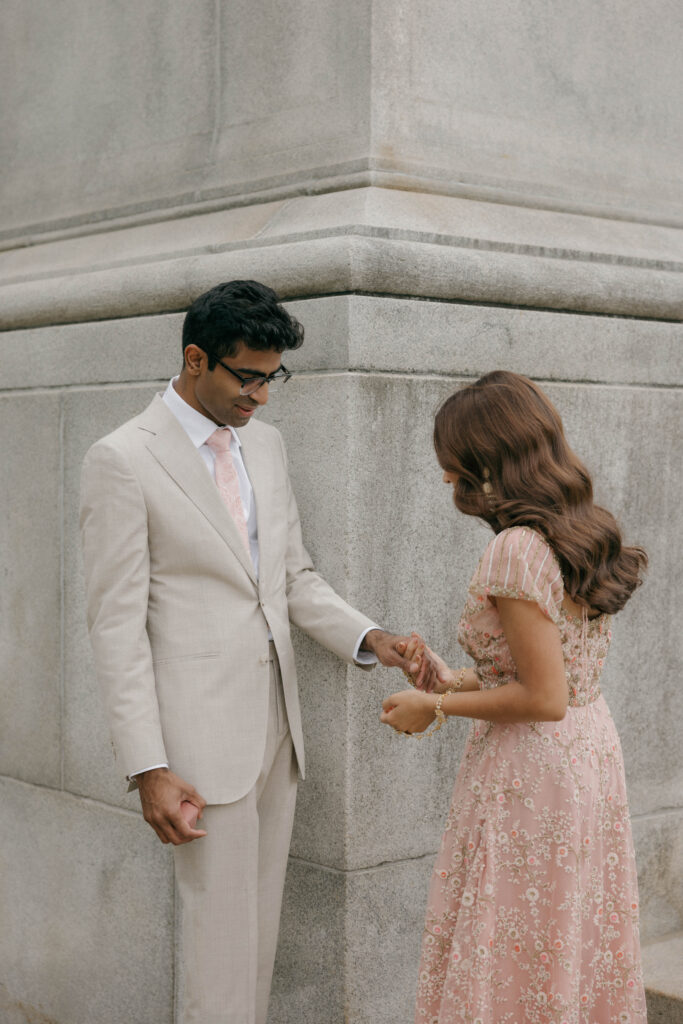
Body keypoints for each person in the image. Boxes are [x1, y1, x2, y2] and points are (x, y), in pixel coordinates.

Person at [80, 279, 436, 1024]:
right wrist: (147, 765)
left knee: (257, 944)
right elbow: (114, 627)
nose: (263, 397)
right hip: (195, 744)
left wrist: (372, 638)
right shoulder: (121, 458)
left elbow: (291, 578)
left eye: (273, 377)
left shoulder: (264, 448)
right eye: (247, 377)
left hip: (278, 731)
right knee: (216, 952)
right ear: (193, 358)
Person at [380, 371, 648, 1023]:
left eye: (451, 459)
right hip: (584, 754)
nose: (444, 474)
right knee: (562, 935)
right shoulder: (579, 529)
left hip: (534, 768)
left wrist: (433, 708)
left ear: (484, 459)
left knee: (516, 941)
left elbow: (542, 696)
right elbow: (552, 674)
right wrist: (454, 681)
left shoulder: (513, 550)